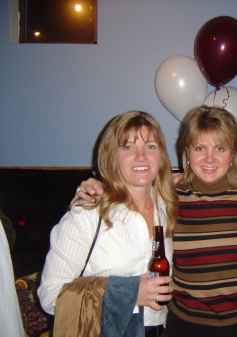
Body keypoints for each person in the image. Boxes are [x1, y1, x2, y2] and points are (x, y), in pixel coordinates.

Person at [73, 106, 237, 337]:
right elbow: (128, 188)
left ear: (233, 153)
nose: (209, 158)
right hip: (189, 325)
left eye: (220, 148)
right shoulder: (169, 195)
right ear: (186, 152)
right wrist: (96, 187)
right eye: (200, 148)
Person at [38, 110, 178, 337]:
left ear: (161, 155)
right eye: (128, 147)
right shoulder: (88, 214)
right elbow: (50, 296)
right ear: (112, 155)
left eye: (150, 146)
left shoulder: (167, 207)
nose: (141, 156)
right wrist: (128, 293)